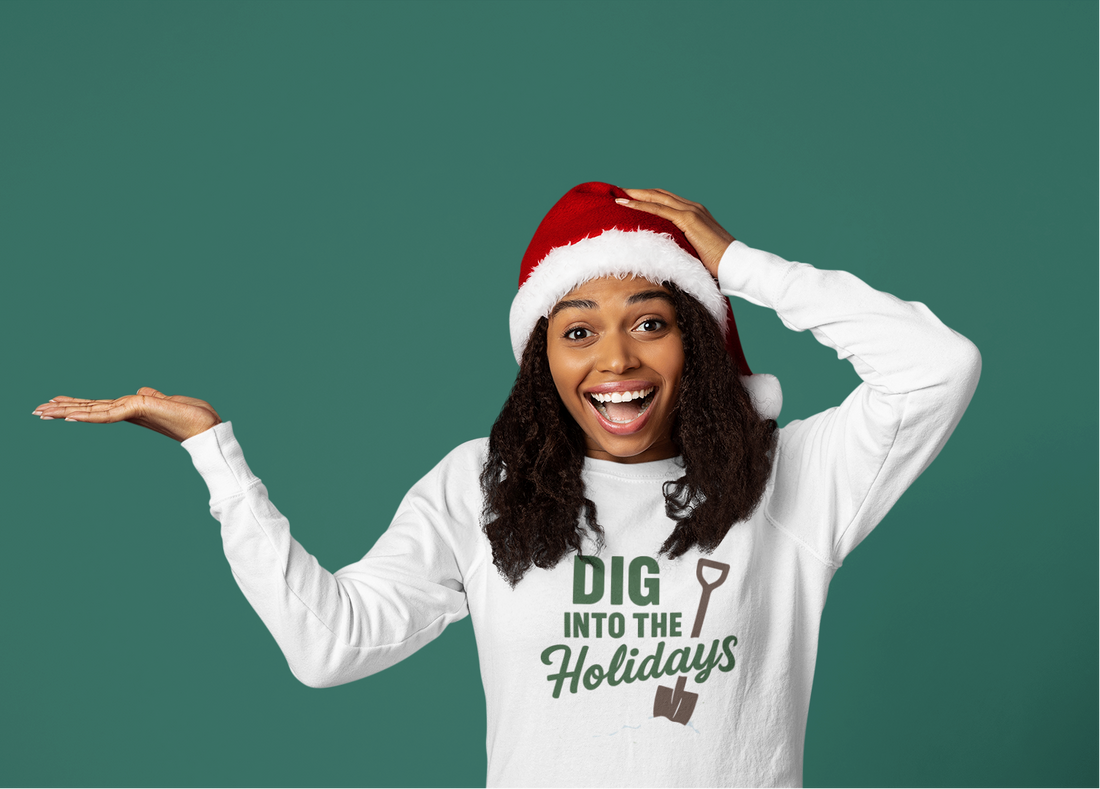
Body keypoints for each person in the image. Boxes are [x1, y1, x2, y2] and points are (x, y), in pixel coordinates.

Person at [31, 183, 981, 788]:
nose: (616, 358)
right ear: (541, 361)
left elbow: (938, 365)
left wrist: (739, 264)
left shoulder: (788, 480)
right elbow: (329, 645)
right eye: (577, 331)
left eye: (651, 320)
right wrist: (215, 455)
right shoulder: (478, 489)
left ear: (697, 333)